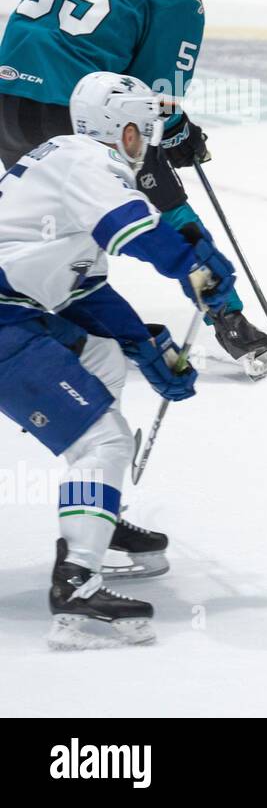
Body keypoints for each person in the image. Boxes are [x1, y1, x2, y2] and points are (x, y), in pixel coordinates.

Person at [0, 72, 236, 648]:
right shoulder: (90, 164)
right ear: (124, 131)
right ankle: (77, 586)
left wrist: (143, 342)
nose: (149, 143)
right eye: (145, 132)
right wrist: (193, 266)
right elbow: (128, 230)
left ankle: (95, 518)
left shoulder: (66, 160)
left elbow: (81, 290)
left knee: (103, 356)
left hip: (16, 309)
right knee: (103, 442)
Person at [0, 0, 267, 375]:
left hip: (6, 100)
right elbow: (156, 97)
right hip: (78, 114)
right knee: (166, 209)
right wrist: (176, 134)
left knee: (48, 219)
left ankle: (43, 322)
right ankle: (228, 317)